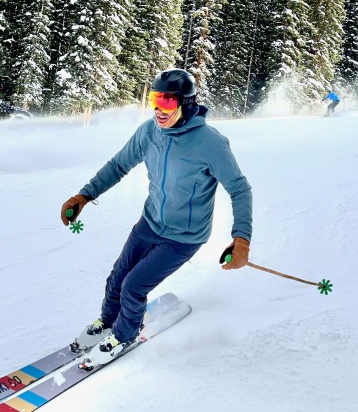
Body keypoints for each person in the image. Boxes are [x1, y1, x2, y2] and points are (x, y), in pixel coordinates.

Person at [60, 68, 253, 368]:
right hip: (150, 222)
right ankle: (108, 323)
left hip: (183, 237)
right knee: (116, 279)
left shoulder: (210, 143)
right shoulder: (149, 132)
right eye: (154, 100)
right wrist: (84, 196)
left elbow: (240, 190)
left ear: (185, 104)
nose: (158, 111)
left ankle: (125, 334)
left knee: (133, 287)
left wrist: (241, 240)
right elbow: (118, 165)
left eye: (166, 103)